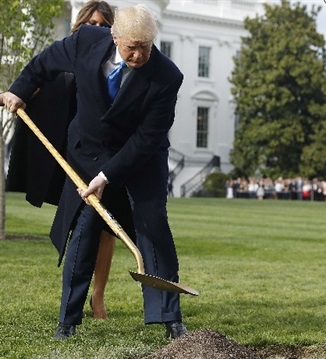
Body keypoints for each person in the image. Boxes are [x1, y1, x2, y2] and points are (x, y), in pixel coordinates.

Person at [2, 4, 187, 340]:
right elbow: (44, 63)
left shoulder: (167, 76)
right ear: (114, 37)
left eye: (145, 47)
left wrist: (107, 177)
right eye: (131, 47)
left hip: (141, 160)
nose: (138, 54)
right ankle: (67, 322)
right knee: (84, 229)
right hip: (87, 152)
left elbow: (146, 139)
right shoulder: (86, 40)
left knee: (152, 224)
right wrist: (19, 89)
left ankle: (170, 318)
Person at [5, 0, 118, 321]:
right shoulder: (67, 53)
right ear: (79, 25)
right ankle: (74, 298)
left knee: (106, 226)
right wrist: (21, 92)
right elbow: (39, 70)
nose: (96, 30)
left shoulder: (118, 62)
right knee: (80, 224)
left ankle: (98, 298)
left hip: (107, 152)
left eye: (103, 25)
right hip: (72, 153)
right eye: (91, 23)